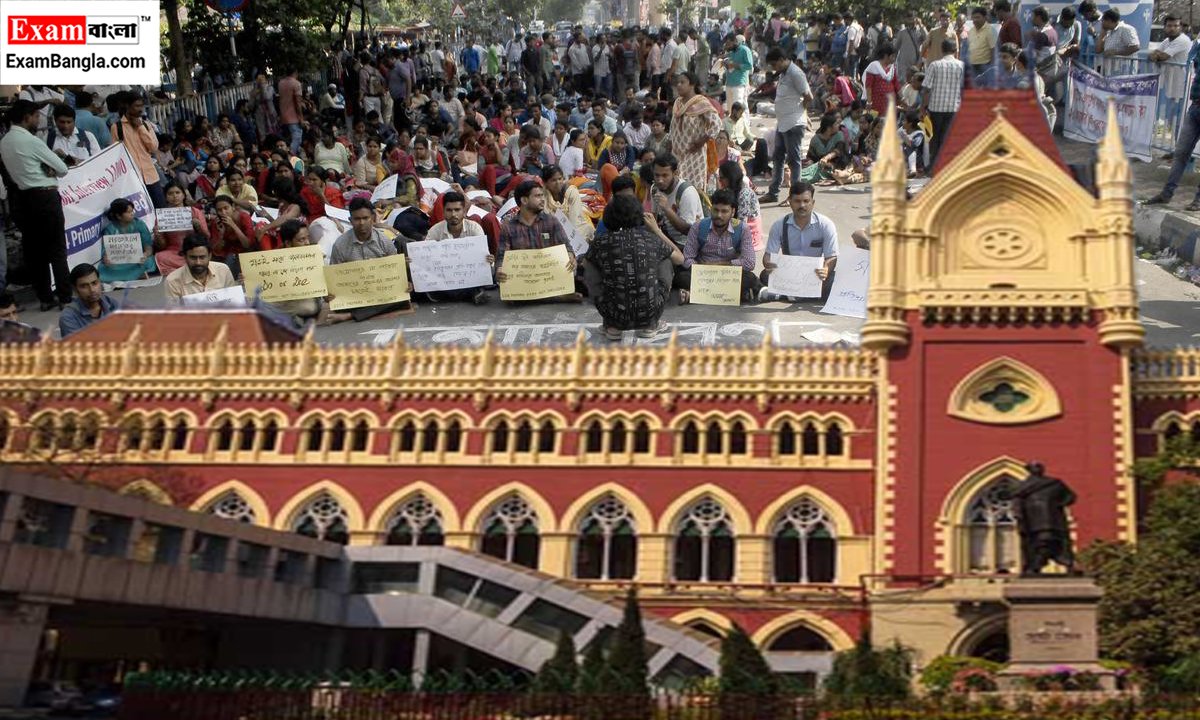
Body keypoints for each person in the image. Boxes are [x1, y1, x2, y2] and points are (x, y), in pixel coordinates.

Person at [0, 100, 72, 310]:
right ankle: (66, 298)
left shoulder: (4, 141)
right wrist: (49, 166)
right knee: (57, 250)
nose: (38, 119)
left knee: (35, 252)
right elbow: (62, 168)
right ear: (27, 116)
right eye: (36, 116)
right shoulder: (31, 141)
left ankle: (45, 299)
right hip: (45, 197)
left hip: (21, 199)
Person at [586, 194, 683, 341]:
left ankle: (612, 327)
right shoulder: (652, 239)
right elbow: (680, 259)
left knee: (591, 264)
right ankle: (650, 325)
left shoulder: (601, 242)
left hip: (613, 314)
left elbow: (586, 266)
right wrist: (657, 230)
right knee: (667, 260)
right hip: (650, 313)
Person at [496, 180, 580, 303]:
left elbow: (567, 247)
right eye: (537, 196)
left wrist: (570, 257)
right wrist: (499, 269)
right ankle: (553, 296)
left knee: (578, 267)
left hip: (549, 276)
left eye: (542, 196)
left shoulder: (552, 221)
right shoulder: (508, 227)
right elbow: (502, 256)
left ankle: (555, 293)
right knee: (504, 280)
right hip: (524, 279)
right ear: (524, 200)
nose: (542, 199)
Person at [330, 198, 412, 321]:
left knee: (402, 297)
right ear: (350, 221)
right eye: (357, 219)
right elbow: (334, 277)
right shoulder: (340, 245)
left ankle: (351, 316)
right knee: (339, 304)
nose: (362, 223)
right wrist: (331, 293)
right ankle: (356, 312)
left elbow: (395, 273)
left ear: (372, 218)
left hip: (381, 294)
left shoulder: (384, 241)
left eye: (365, 218)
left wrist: (404, 282)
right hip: (355, 296)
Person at [760, 181, 838, 302]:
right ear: (789, 202)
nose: (802, 205)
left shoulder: (826, 225)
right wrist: (769, 264)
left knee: (833, 280)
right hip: (789, 275)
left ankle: (783, 295)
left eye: (806, 201)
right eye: (797, 201)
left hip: (815, 276)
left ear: (813, 203)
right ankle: (803, 295)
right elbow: (768, 256)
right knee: (765, 275)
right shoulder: (779, 225)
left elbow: (832, 256)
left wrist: (826, 269)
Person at [677, 189, 759, 304]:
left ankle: (694, 295)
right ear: (711, 209)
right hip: (703, 274)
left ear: (733, 212)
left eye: (724, 211)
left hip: (729, 274)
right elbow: (687, 258)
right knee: (682, 277)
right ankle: (733, 294)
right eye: (716, 210)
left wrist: (721, 266)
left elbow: (749, 262)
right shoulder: (698, 227)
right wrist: (703, 269)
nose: (719, 215)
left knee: (749, 278)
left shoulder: (742, 229)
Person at [271, 220, 352, 326]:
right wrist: (248, 278)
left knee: (324, 306)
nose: (307, 243)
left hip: (312, 306)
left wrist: (328, 294)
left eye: (307, 238)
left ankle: (314, 325)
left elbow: (326, 292)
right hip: (288, 306)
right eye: (302, 240)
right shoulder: (273, 262)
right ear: (288, 243)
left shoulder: (315, 258)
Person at [761, 47, 814, 204]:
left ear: (781, 60)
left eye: (774, 65)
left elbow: (808, 96)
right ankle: (773, 192)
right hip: (783, 123)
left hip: (794, 123)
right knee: (778, 158)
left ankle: (796, 195)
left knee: (794, 160)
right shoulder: (784, 74)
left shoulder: (796, 73)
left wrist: (801, 112)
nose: (773, 68)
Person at [422, 191, 494, 305]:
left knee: (490, 271)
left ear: (464, 211)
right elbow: (424, 256)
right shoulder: (435, 230)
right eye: (449, 210)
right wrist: (414, 260)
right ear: (444, 212)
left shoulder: (474, 228)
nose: (453, 214)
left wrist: (488, 260)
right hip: (445, 276)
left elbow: (482, 258)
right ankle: (471, 293)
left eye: (457, 210)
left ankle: (453, 294)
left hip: (470, 276)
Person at [669, 72, 721, 192]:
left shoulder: (701, 103)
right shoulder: (677, 103)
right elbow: (673, 127)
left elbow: (716, 124)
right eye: (677, 83)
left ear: (692, 84)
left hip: (694, 154)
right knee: (676, 189)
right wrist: (670, 144)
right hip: (677, 153)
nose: (679, 85)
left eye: (682, 82)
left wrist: (702, 140)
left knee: (693, 190)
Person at [112, 93, 165, 208]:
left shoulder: (146, 125)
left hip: (151, 174)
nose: (140, 109)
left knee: (160, 209)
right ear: (127, 106)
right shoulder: (117, 127)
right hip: (132, 178)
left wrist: (140, 128)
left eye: (142, 106)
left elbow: (153, 147)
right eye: (137, 106)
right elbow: (116, 153)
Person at [924, 38, 965, 169]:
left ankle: (933, 166)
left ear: (942, 50)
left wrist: (922, 108)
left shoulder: (934, 65)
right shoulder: (962, 66)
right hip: (954, 107)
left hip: (935, 108)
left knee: (934, 138)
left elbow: (926, 88)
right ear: (955, 50)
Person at [165, 234, 238, 304]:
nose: (198, 262)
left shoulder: (223, 270)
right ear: (185, 257)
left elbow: (234, 299)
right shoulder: (173, 281)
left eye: (202, 257)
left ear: (209, 256)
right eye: (193, 258)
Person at [97, 198, 156, 283]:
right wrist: (106, 258)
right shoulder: (110, 229)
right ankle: (134, 275)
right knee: (104, 268)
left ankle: (131, 274)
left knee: (147, 261)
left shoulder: (139, 224)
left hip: (138, 260)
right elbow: (106, 250)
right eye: (128, 212)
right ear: (119, 216)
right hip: (119, 261)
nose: (132, 214)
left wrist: (145, 255)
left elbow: (148, 247)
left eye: (132, 211)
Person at [59, 264, 120, 338]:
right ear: (75, 289)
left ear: (100, 282)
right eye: (84, 286)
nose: (92, 290)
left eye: (94, 283)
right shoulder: (68, 317)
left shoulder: (112, 304)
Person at [1098, 8, 1140, 77]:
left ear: (1109, 21)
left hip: (1124, 74)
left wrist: (1116, 52)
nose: (1101, 23)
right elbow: (1098, 50)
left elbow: (1135, 47)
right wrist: (1102, 34)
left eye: (1103, 21)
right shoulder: (1109, 32)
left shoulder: (1125, 29)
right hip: (1111, 73)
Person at [863, 44, 901, 114]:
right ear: (886, 56)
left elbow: (896, 83)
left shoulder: (892, 68)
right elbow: (868, 86)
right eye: (893, 56)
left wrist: (902, 97)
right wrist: (869, 101)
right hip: (876, 103)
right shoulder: (873, 66)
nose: (894, 59)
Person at [723, 34, 755, 113]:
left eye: (729, 43)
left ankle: (743, 124)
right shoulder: (732, 52)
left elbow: (749, 66)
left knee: (738, 106)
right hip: (729, 83)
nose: (728, 46)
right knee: (730, 108)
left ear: (735, 41)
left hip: (739, 83)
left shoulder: (744, 50)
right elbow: (728, 61)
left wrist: (734, 65)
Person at [278, 69, 305, 156]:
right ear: (295, 73)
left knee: (289, 138)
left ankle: (291, 155)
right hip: (293, 117)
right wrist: (301, 118)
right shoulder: (296, 84)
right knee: (297, 137)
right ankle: (290, 156)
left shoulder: (281, 83)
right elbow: (298, 103)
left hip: (283, 115)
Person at [966, 6, 997, 76]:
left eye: (978, 17)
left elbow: (994, 50)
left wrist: (991, 68)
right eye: (973, 17)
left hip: (985, 66)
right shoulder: (971, 31)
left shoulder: (990, 30)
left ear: (985, 17)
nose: (975, 20)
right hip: (972, 66)